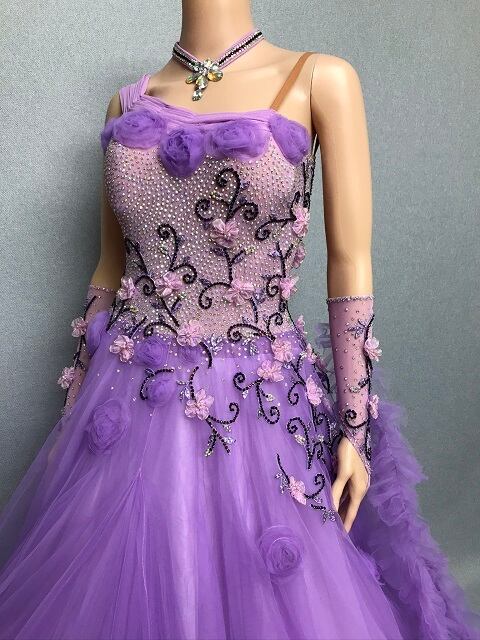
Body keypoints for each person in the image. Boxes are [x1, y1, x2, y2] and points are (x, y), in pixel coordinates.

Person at [0, 1, 479, 638]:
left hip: (263, 409)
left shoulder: (319, 79)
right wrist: (72, 408)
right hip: (126, 401)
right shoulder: (126, 107)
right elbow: (109, 270)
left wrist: (356, 428)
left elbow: (350, 263)